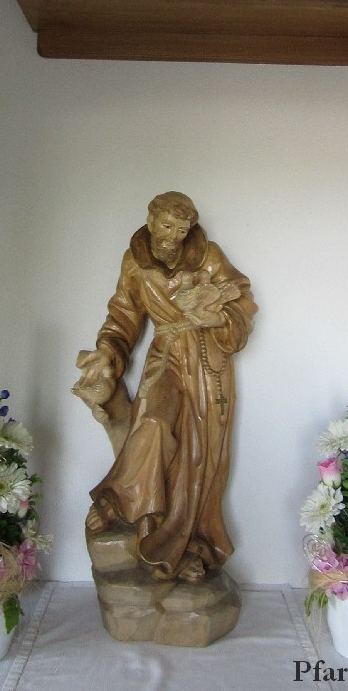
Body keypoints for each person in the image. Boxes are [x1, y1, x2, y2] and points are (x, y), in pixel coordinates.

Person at [73, 192, 257, 582]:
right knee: (152, 424)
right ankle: (122, 504)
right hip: (166, 355)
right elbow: (123, 317)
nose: (173, 237)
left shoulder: (209, 256)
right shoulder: (134, 262)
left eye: (181, 229)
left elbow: (241, 300)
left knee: (198, 456)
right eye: (167, 226)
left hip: (207, 364)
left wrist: (216, 317)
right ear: (151, 221)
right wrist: (107, 352)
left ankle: (188, 544)